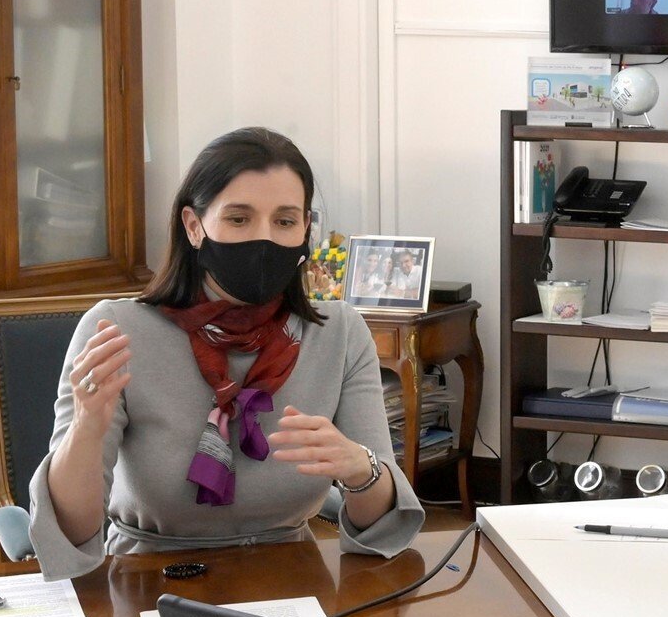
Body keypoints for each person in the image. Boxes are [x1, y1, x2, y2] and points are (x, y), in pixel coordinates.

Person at [28, 127, 424, 580]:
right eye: (239, 219)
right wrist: (86, 427)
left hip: (292, 577)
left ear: (305, 229)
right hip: (147, 578)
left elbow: (382, 527)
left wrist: (361, 470)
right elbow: (71, 533)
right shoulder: (116, 331)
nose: (264, 239)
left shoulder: (340, 333)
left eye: (285, 221)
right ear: (194, 226)